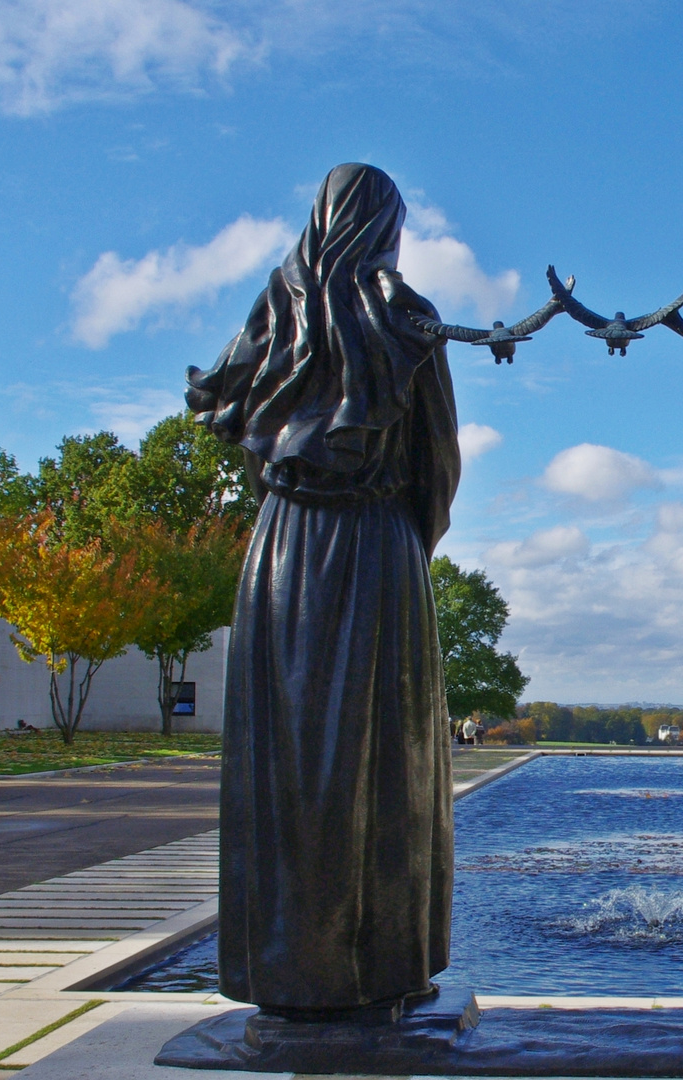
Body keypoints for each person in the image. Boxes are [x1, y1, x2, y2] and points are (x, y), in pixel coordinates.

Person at [185, 164, 457, 1016]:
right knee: (379, 755)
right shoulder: (407, 321)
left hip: (285, 547)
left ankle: (285, 967)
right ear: (385, 229)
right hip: (377, 544)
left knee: (290, 754)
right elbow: (437, 462)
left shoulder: (273, 315)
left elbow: (241, 429)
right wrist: (411, 532)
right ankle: (375, 966)